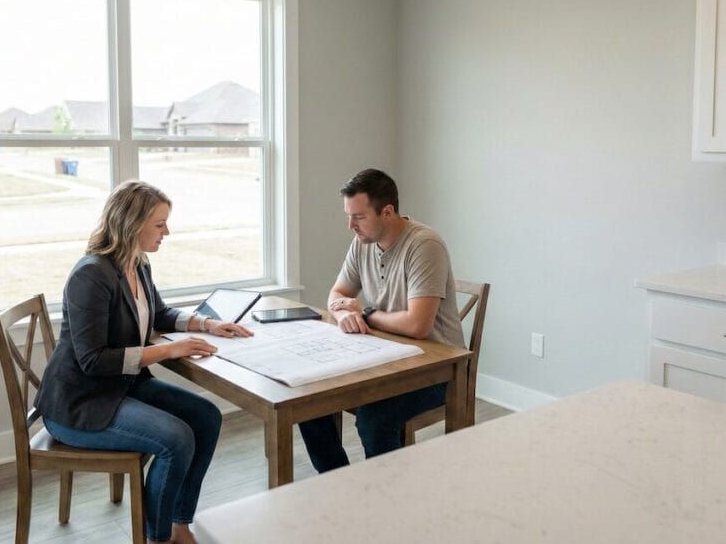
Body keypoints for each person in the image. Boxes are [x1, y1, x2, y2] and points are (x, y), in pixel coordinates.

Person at [33, 180, 252, 544]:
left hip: (121, 388)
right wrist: (167, 351)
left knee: (207, 418)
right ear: (133, 224)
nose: (167, 231)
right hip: (79, 405)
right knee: (177, 438)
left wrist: (208, 323)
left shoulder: (137, 263)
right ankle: (158, 537)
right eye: (160, 224)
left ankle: (180, 523)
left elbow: (160, 313)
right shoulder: (91, 275)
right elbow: (93, 361)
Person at [298, 168, 465, 472]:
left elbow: (418, 326)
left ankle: (390, 501)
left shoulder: (425, 245)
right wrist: (344, 312)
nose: (351, 226)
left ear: (387, 212)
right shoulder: (361, 244)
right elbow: (337, 293)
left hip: (437, 370)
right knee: (308, 400)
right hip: (384, 358)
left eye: (359, 217)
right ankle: (341, 481)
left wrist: (363, 313)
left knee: (373, 420)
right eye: (348, 216)